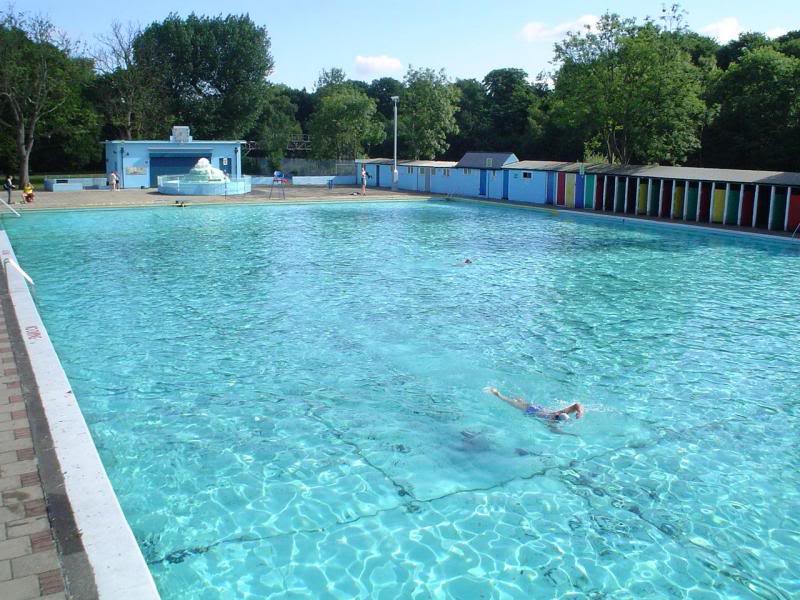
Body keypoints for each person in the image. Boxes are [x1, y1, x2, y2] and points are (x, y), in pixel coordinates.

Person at [487, 387, 584, 421]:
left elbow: (576, 405)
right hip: (530, 411)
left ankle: (518, 398)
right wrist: (579, 412)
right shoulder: (553, 419)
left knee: (520, 402)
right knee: (508, 401)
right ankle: (496, 393)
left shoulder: (558, 413)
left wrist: (579, 412)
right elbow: (577, 405)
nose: (555, 415)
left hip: (536, 408)